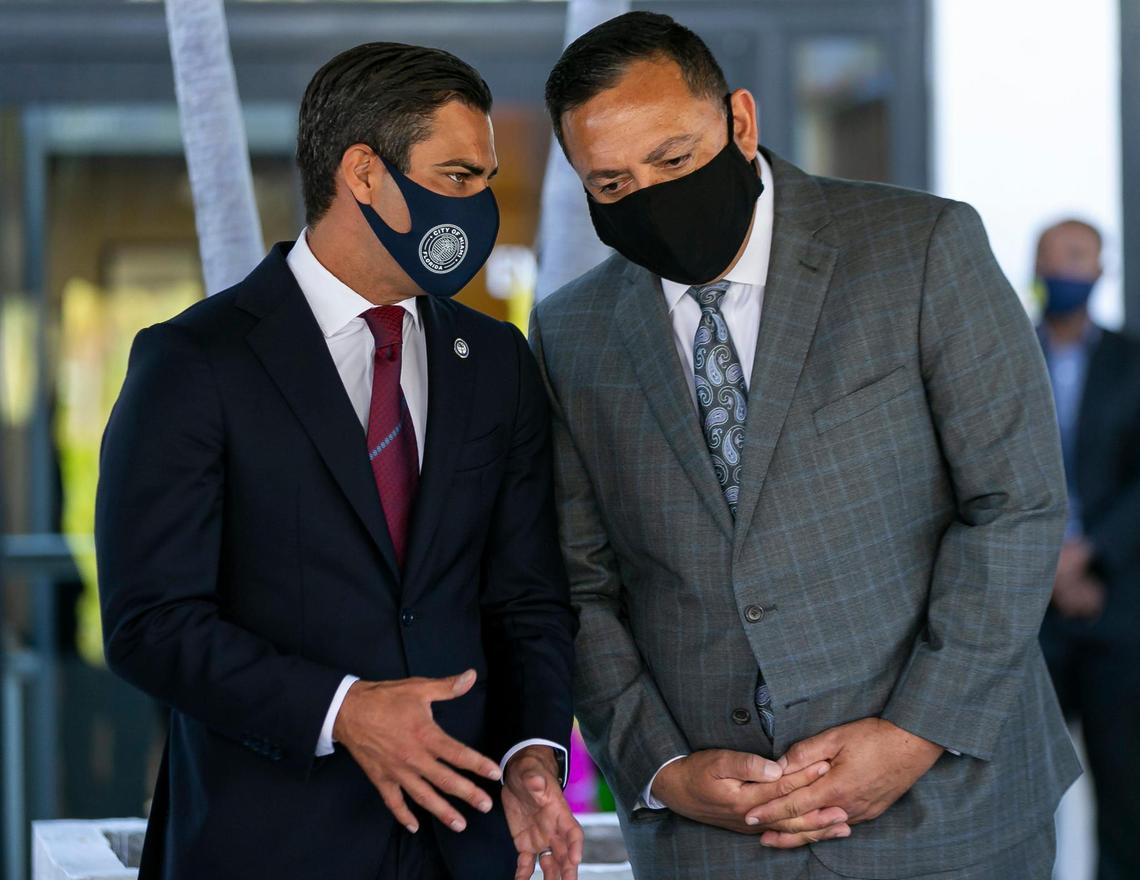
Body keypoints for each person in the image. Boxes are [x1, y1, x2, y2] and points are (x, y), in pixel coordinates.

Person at [530, 12, 1079, 880]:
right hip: (711, 840)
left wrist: (913, 734)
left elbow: (1015, 504)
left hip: (947, 814)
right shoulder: (570, 332)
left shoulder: (922, 249)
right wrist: (663, 769)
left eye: (673, 159)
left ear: (740, 122)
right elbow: (580, 580)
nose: (648, 196)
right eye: (611, 184)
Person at [96, 42, 581, 880]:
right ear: (364, 173)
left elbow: (528, 598)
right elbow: (151, 626)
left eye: (485, 179)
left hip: (463, 850)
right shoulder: (194, 362)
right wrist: (344, 711)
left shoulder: (496, 361)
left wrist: (532, 756)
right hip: (264, 849)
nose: (481, 204)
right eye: (459, 176)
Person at [1034, 219, 1140, 880]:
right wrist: (1047, 560)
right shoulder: (1008, 352)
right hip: (1029, 610)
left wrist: (1089, 555)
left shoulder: (1131, 361)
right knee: (1024, 789)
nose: (1062, 273)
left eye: (1075, 260)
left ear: (1100, 271)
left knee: (1124, 790)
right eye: (1050, 261)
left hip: (1117, 604)